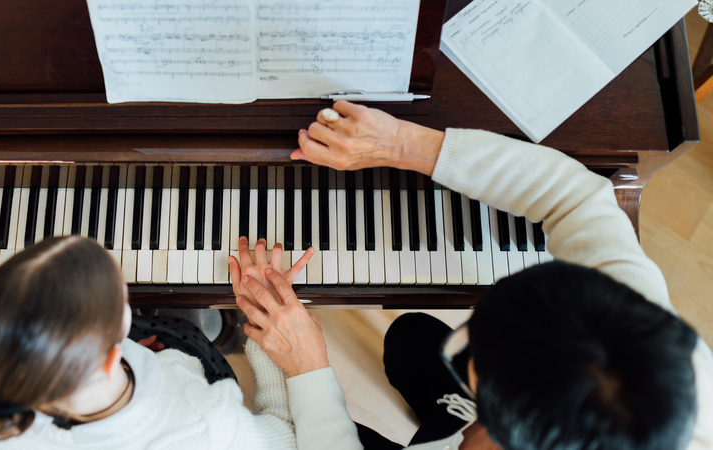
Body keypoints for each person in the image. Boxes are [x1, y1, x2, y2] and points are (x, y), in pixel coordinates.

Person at [230, 101, 713, 450]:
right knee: (411, 337)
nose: (466, 345)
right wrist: (405, 144)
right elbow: (576, 199)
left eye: (473, 357)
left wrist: (302, 368)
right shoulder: (644, 341)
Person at [0, 235, 313, 450]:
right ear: (108, 358)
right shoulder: (207, 422)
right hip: (183, 375)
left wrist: (129, 363)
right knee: (186, 323)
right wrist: (265, 329)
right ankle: (228, 331)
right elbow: (288, 436)